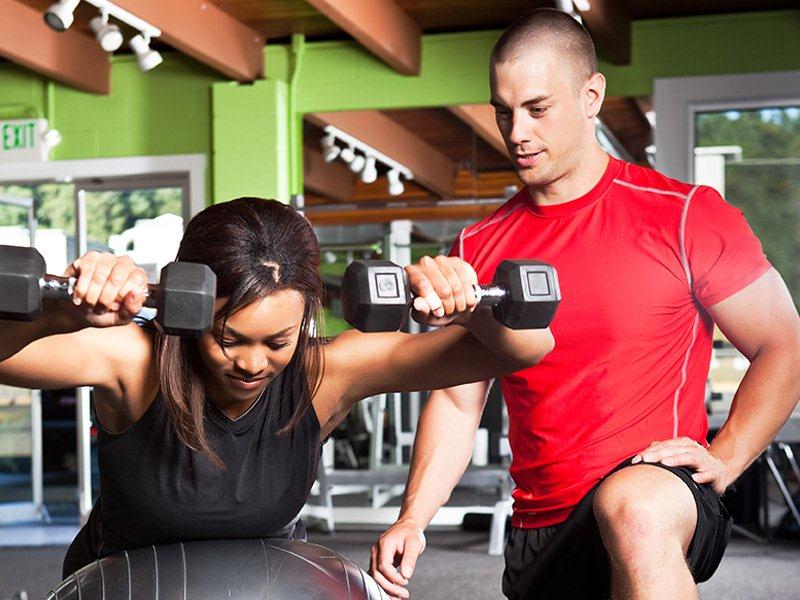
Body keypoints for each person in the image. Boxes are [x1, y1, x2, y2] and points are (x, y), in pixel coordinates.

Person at [370, 8, 800, 600]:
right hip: (540, 524)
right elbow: (456, 399)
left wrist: (725, 458)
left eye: (537, 108)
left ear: (591, 95)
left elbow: (785, 344)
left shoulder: (683, 216)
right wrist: (413, 517)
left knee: (633, 506)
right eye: (503, 110)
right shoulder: (478, 245)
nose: (516, 130)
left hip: (660, 494)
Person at [0, 197, 554, 578]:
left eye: (277, 341)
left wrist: (469, 307)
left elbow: (529, 347)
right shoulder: (134, 360)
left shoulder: (327, 373)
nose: (250, 363)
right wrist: (64, 311)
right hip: (121, 588)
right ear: (189, 309)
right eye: (228, 337)